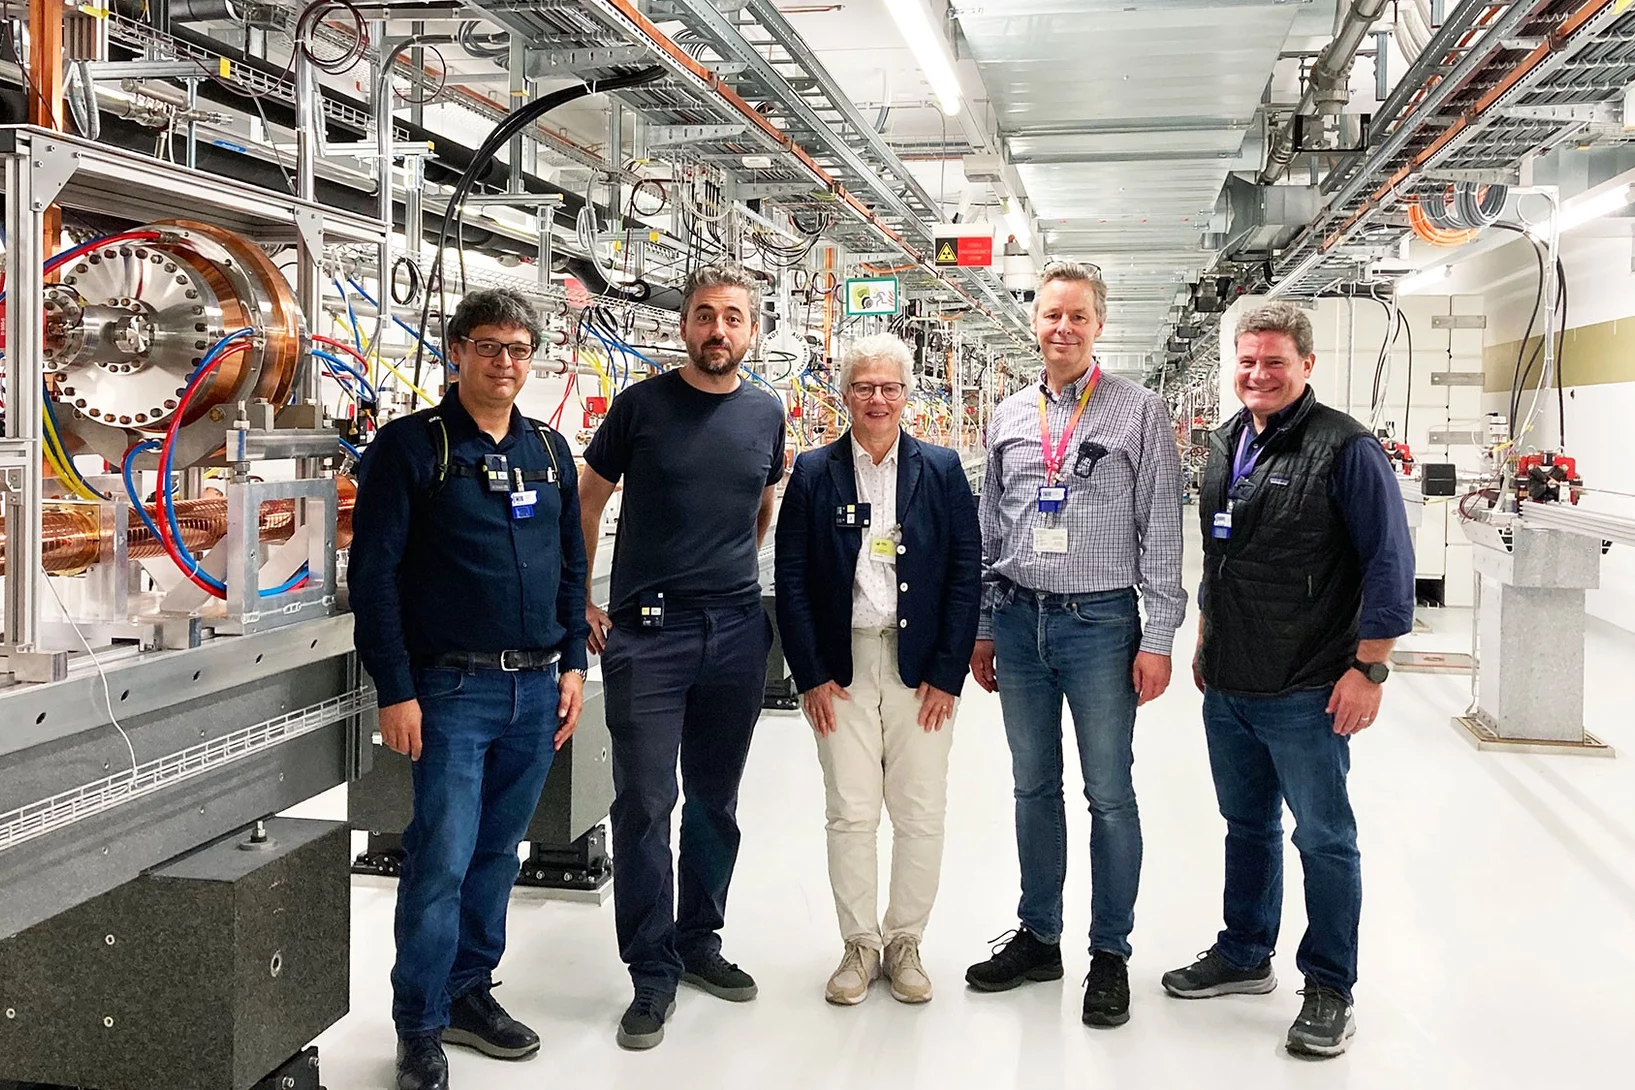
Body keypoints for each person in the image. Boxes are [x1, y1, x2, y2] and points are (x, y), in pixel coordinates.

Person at [348, 288, 590, 1090]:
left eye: (519, 350)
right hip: (450, 691)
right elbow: (373, 574)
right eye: (489, 346)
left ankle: (468, 993)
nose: (504, 363)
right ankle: (418, 1024)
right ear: (456, 350)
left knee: (495, 855)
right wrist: (395, 687)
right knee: (441, 860)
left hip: (534, 689)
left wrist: (574, 667)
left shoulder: (549, 452)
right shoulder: (413, 447)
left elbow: (570, 567)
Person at [1161, 301, 1413, 1058]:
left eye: (1273, 362)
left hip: (1308, 681)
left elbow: (1387, 563)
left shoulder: (1345, 448)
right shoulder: (1227, 441)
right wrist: (1205, 636)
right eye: (1246, 361)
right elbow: (1219, 554)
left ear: (1305, 366)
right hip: (1232, 679)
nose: (1257, 374)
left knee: (1325, 839)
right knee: (1246, 826)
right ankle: (1244, 952)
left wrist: (1369, 667)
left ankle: (1329, 985)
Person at [965, 260, 1185, 1028]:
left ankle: (1110, 952)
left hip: (1099, 625)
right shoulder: (1008, 413)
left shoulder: (1137, 411)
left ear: (1099, 324)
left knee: (1108, 794)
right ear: (1035, 320)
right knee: (1032, 787)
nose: (1063, 328)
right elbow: (992, 526)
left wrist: (1156, 634)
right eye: (1052, 314)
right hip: (1021, 624)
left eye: (1078, 316)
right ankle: (1039, 935)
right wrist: (987, 625)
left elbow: (1161, 528)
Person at [577, 264, 786, 1050]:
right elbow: (587, 501)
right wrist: (581, 602)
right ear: (683, 327)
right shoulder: (640, 408)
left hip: (734, 634)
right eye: (704, 315)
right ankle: (651, 969)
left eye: (733, 317)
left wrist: (725, 578)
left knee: (714, 802)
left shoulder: (766, 413)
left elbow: (759, 509)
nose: (718, 330)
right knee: (643, 806)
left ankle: (700, 939)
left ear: (751, 331)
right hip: (649, 636)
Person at [774, 334, 981, 1007]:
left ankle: (905, 942)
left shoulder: (941, 469)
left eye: (889, 387)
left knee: (919, 811)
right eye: (864, 386)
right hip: (844, 666)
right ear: (845, 393)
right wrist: (808, 674)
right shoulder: (812, 471)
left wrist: (947, 673)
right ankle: (859, 944)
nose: (877, 398)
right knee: (850, 812)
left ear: (906, 395)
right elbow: (792, 579)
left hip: (921, 668)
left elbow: (962, 574)